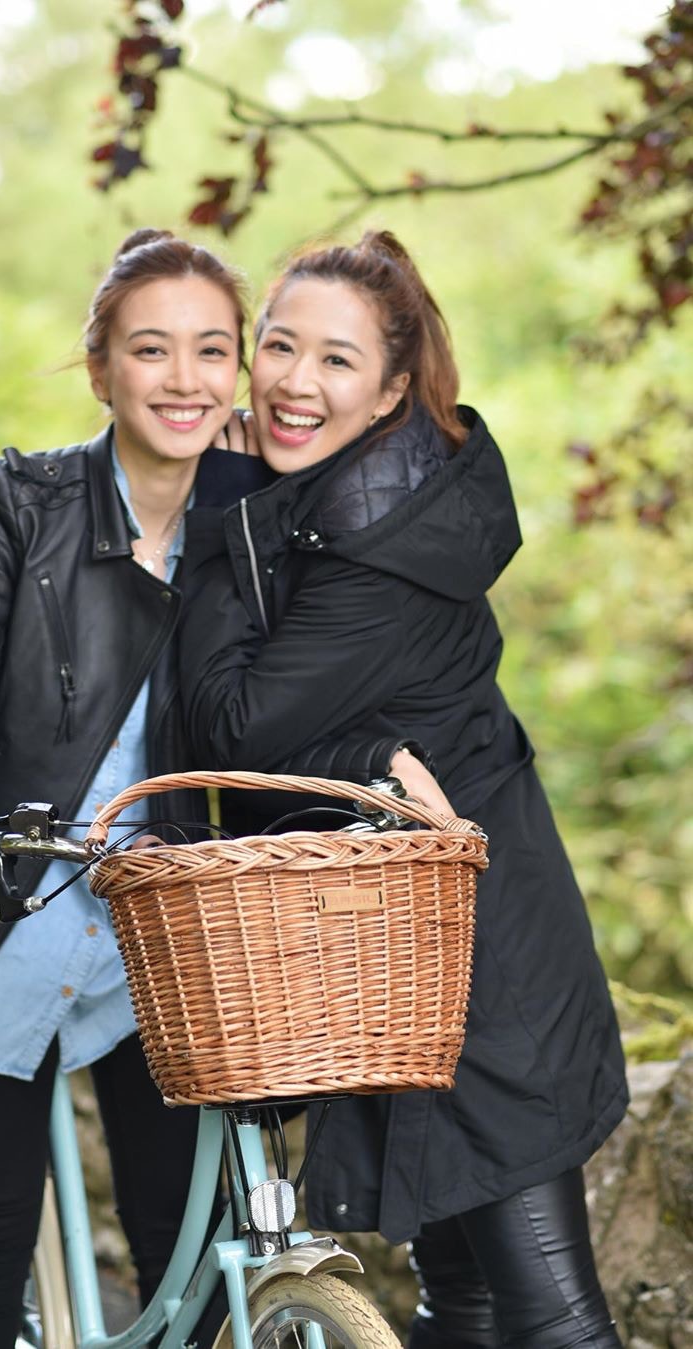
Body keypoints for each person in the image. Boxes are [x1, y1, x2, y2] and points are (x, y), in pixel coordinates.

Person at [0, 227, 443, 1349]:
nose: (184, 378)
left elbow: (304, 712)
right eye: (151, 349)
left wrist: (388, 775)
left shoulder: (267, 524)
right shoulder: (18, 503)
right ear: (101, 366)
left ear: (241, 374)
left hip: (163, 934)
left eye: (213, 350)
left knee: (192, 1249)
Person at [177, 231, 628, 1347]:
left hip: (486, 967)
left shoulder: (380, 550)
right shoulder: (352, 501)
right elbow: (325, 736)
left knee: (553, 1316)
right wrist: (362, 764)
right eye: (279, 345)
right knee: (461, 1296)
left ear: (389, 393)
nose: (292, 380)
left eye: (336, 361)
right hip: (415, 939)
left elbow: (228, 723)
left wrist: (222, 492)